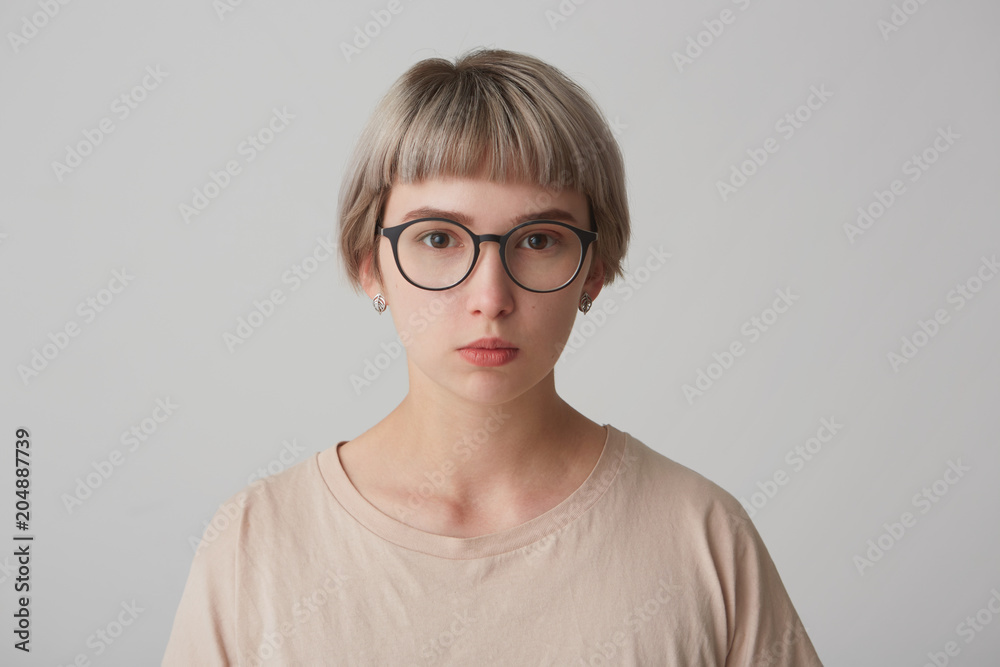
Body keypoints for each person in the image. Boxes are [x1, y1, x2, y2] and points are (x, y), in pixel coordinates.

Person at [163, 47, 823, 666]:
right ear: (371, 265)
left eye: (538, 239)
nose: (490, 296)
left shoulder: (702, 536)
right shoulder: (256, 542)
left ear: (593, 269)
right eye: (440, 237)